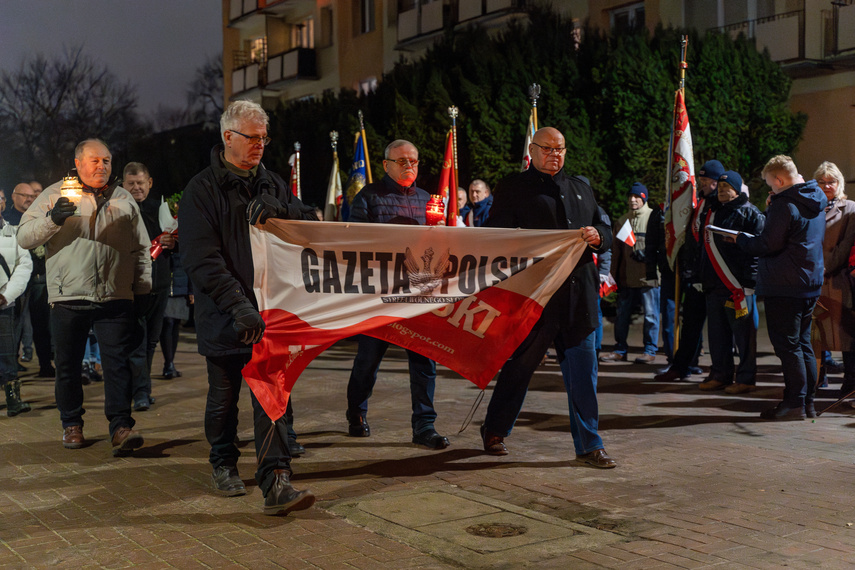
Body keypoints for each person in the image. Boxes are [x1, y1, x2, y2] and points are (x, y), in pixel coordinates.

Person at [180, 100, 316, 515]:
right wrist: (238, 305)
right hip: (226, 314)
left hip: (273, 312)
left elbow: (309, 221)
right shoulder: (201, 190)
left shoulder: (271, 182)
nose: (259, 145)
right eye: (251, 138)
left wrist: (283, 208)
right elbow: (203, 259)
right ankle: (223, 461)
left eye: (263, 138)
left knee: (272, 396)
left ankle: (276, 481)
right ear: (227, 138)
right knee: (224, 396)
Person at [480, 127, 616, 468]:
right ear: (532, 149)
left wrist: (599, 236)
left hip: (578, 299)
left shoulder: (581, 187)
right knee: (520, 368)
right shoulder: (513, 188)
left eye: (560, 149)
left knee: (584, 375)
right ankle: (495, 429)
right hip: (536, 298)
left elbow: (606, 229)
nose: (555, 154)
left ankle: (589, 445)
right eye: (547, 148)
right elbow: (497, 236)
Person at [17, 139, 152, 454]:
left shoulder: (123, 199)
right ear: (77, 164)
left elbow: (141, 248)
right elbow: (24, 237)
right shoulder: (54, 195)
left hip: (115, 296)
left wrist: (143, 288)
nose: (101, 166)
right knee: (67, 365)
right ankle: (72, 424)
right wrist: (54, 219)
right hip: (69, 296)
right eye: (94, 160)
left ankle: (120, 426)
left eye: (106, 160)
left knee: (117, 364)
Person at [346, 139, 450, 450]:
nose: (409, 166)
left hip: (419, 294)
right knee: (368, 360)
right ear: (386, 165)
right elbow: (355, 241)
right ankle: (356, 412)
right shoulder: (368, 197)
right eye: (402, 160)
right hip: (379, 295)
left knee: (424, 361)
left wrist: (442, 230)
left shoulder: (426, 200)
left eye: (414, 161)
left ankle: (424, 425)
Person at [735, 155, 826, 420]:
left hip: (784, 284)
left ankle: (794, 403)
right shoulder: (814, 199)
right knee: (803, 344)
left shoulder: (785, 205)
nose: (769, 189)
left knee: (788, 347)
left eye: (769, 184)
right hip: (808, 282)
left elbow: (767, 244)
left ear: (778, 179)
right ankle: (807, 402)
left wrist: (740, 240)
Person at [654, 159, 724, 382]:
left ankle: (720, 371)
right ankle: (681, 365)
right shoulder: (700, 203)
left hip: (714, 276)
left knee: (717, 328)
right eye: (701, 180)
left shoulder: (720, 206)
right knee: (690, 325)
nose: (702, 184)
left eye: (706, 181)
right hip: (695, 275)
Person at [698, 171, 764, 393]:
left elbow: (757, 251)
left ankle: (746, 378)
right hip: (714, 284)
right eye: (721, 187)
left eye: (729, 188)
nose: (724, 191)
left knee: (743, 336)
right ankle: (720, 374)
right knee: (717, 335)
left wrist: (750, 283)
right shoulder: (712, 212)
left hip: (738, 286)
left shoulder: (750, 213)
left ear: (738, 190)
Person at [123, 162, 175, 411]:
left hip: (161, 283)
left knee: (152, 340)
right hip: (133, 286)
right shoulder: (120, 210)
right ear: (123, 184)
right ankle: (140, 391)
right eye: (131, 183)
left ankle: (143, 389)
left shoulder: (161, 209)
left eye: (140, 183)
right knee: (137, 341)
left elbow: (177, 245)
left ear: (150, 183)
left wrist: (172, 242)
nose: (136, 188)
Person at [600, 183, 660, 364]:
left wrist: (649, 256)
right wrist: (613, 276)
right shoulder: (621, 221)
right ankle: (620, 350)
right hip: (627, 278)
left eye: (637, 197)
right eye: (631, 196)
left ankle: (650, 351)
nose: (633, 200)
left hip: (649, 278)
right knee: (622, 316)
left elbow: (662, 247)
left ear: (644, 198)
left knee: (651, 315)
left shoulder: (654, 218)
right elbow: (615, 252)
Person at [810, 161, 855, 396]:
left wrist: (823, 268)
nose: (827, 185)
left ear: (839, 183)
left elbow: (846, 246)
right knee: (817, 334)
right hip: (812, 281)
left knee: (845, 336)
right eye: (822, 181)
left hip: (837, 281)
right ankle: (817, 378)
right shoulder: (810, 207)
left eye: (832, 181)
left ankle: (850, 384)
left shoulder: (850, 208)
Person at [0, 191, 33, 416]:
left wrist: (6, 295)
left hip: (4, 304)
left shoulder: (13, 232)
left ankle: (13, 401)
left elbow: (24, 266)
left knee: (7, 353)